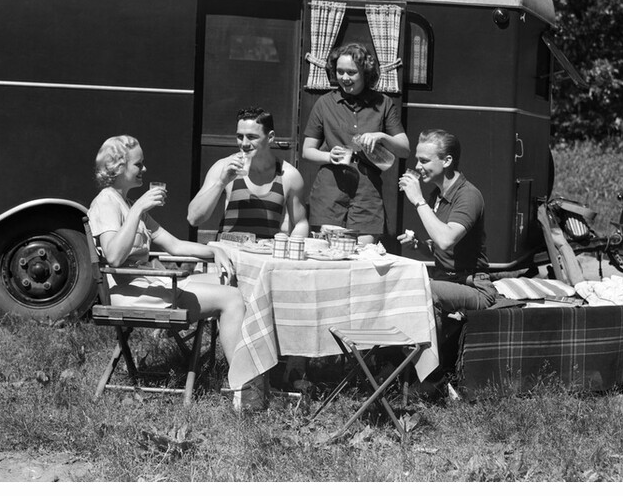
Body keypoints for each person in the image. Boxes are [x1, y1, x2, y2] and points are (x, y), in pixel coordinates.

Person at [88, 134, 265, 411]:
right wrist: (138, 209)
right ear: (119, 168)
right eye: (138, 164)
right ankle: (244, 391)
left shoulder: (126, 202)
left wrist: (215, 252)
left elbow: (174, 245)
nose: (144, 169)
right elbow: (113, 255)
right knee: (231, 299)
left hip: (147, 285)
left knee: (233, 280)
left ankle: (253, 375)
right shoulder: (107, 202)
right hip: (132, 294)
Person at [301, 42, 410, 245]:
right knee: (328, 252)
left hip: (367, 192)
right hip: (330, 191)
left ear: (366, 73)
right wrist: (328, 156)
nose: (344, 78)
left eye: (351, 72)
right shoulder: (324, 103)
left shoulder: (383, 103)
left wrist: (381, 136)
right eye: (340, 71)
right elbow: (307, 151)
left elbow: (404, 149)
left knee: (363, 253)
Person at [397, 129, 498, 314]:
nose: (417, 166)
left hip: (474, 287)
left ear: (447, 161)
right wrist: (420, 246)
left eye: (424, 161)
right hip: (445, 280)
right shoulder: (436, 195)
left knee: (421, 290)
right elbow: (443, 249)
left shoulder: (468, 195)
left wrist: (418, 201)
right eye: (417, 159)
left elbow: (445, 240)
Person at [187, 107, 309, 239]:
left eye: (251, 137)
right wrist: (221, 183)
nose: (244, 143)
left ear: (270, 137)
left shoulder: (288, 175)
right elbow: (194, 219)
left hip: (265, 256)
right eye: (240, 137)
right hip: (228, 256)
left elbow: (300, 224)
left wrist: (291, 253)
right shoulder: (224, 167)